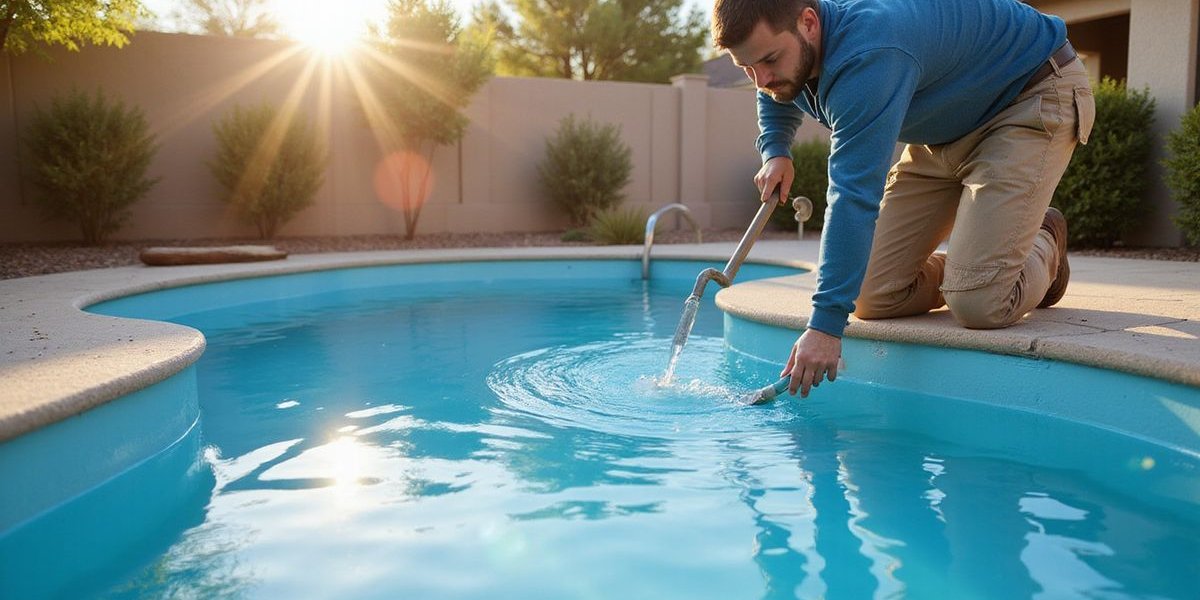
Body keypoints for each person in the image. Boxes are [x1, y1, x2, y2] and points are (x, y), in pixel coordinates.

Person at [712, 0, 1094, 398]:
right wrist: (776, 148)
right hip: (946, 126)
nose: (761, 79)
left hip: (1027, 97)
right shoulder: (793, 45)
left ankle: (1043, 241)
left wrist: (825, 326)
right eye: (747, 68)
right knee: (869, 295)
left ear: (808, 22)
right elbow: (777, 89)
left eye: (770, 60)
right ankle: (980, 266)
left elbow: (853, 195)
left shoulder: (870, 53)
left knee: (980, 304)